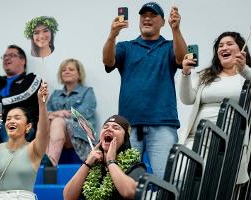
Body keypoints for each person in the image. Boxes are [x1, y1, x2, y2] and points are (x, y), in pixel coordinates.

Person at [102, 2, 187, 178]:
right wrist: (112, 35)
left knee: (166, 178)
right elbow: (108, 61)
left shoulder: (169, 46)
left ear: (163, 22)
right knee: (126, 178)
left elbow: (181, 58)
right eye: (144, 15)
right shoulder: (126, 46)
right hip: (130, 125)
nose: (147, 18)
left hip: (163, 122)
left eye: (153, 15)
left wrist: (176, 29)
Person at [63, 115, 145, 200]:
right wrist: (87, 163)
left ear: (125, 138)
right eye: (105, 126)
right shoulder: (92, 167)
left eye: (116, 128)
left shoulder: (134, 165)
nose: (109, 129)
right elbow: (68, 198)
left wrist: (111, 162)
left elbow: (129, 192)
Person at [179, 31, 251, 149]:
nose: (224, 48)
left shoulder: (246, 75)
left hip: (229, 144)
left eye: (229, 44)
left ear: (241, 50)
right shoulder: (205, 75)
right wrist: (185, 73)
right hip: (196, 138)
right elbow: (187, 100)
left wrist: (244, 69)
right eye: (220, 46)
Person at [0, 44, 41, 142]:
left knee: (10, 138)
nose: (6, 58)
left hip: (19, 124)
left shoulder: (32, 79)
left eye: (11, 55)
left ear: (23, 60)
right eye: (4, 56)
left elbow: (24, 96)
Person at [46, 58, 97, 166]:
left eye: (71, 69)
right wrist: (56, 114)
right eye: (64, 70)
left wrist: (61, 115)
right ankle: (46, 161)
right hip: (59, 132)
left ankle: (50, 163)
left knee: (57, 121)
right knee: (47, 121)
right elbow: (45, 113)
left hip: (80, 134)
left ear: (79, 74)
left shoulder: (87, 91)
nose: (67, 71)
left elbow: (85, 112)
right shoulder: (56, 94)